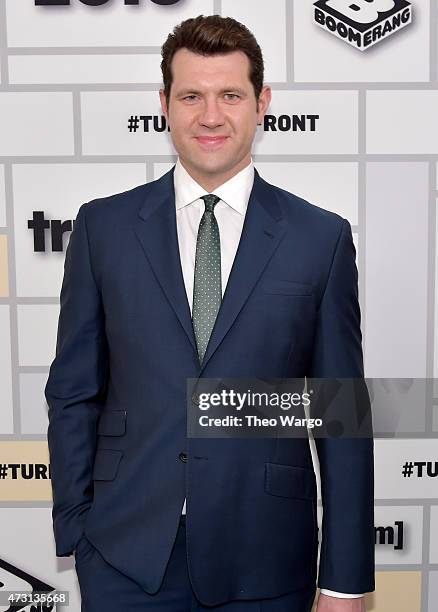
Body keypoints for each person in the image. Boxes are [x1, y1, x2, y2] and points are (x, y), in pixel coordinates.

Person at [45, 14, 375, 612]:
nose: (211, 115)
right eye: (191, 95)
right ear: (165, 103)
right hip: (125, 558)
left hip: (267, 561)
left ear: (262, 103)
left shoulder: (318, 238)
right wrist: (77, 529)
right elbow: (73, 392)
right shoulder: (103, 227)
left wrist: (345, 580)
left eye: (230, 95)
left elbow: (341, 415)